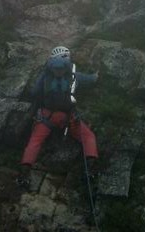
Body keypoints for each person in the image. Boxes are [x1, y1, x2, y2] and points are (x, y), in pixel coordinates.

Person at [19, 45, 99, 187]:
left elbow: (34, 92)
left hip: (46, 117)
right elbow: (92, 79)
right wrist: (97, 75)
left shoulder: (45, 76)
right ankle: (89, 170)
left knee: (34, 142)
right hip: (67, 118)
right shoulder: (74, 76)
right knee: (88, 137)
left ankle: (24, 174)